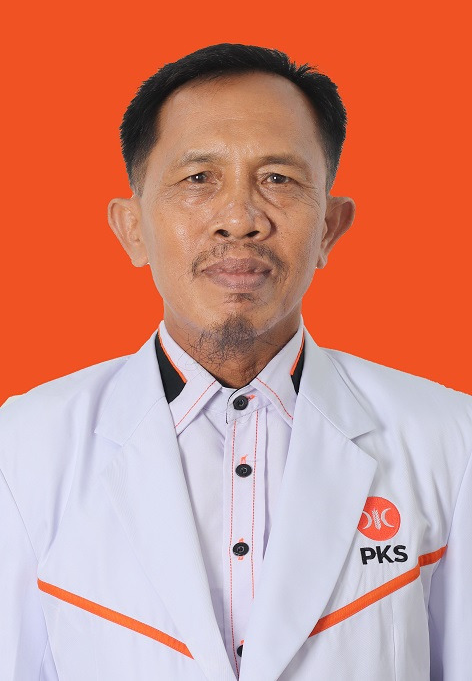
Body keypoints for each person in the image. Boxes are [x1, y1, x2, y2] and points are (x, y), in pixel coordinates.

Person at [0, 43, 470, 681]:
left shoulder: (450, 441)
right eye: (199, 178)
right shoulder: (24, 449)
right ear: (132, 228)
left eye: (278, 178)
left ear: (329, 228)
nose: (240, 220)